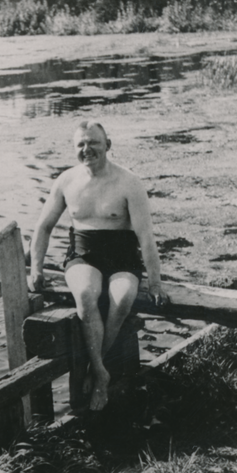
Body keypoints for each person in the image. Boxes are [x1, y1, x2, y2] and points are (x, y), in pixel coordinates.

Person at [29, 120, 169, 412]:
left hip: (122, 258)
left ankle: (96, 370)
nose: (87, 149)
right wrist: (37, 269)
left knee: (123, 298)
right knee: (85, 295)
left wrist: (155, 283)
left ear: (108, 144)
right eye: (80, 144)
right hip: (83, 254)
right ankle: (101, 373)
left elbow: (145, 238)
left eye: (93, 142)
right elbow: (43, 228)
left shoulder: (129, 182)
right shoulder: (66, 181)